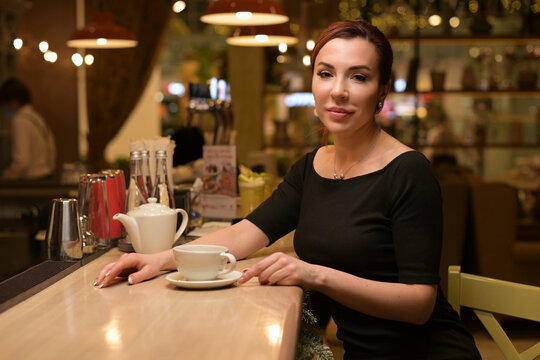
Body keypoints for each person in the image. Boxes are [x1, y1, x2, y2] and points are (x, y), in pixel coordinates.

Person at [94, 20, 481, 359]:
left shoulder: (408, 172)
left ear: (382, 91)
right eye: (326, 73)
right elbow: (244, 234)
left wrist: (313, 274)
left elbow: (419, 304)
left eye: (359, 77)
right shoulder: (311, 168)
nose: (339, 91)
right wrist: (160, 259)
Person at [0, 77, 56, 180]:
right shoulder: (36, 117)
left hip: (32, 181)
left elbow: (21, 161)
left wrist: (6, 177)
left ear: (13, 101)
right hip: (47, 176)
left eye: (5, 105)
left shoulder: (20, 121)